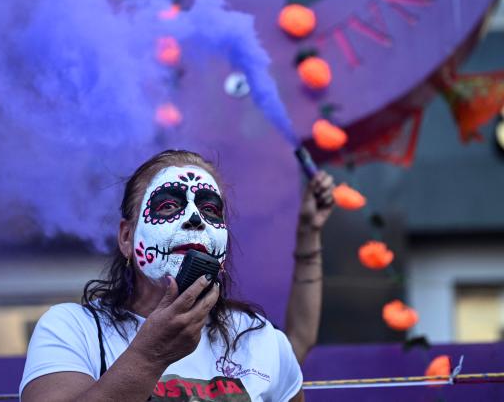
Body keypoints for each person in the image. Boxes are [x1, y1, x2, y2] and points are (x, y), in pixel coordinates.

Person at [20, 149, 333, 402]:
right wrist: (149, 357)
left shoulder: (258, 338)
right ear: (127, 238)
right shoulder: (72, 329)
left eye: (211, 210)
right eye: (169, 205)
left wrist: (309, 233)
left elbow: (300, 340)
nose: (196, 219)